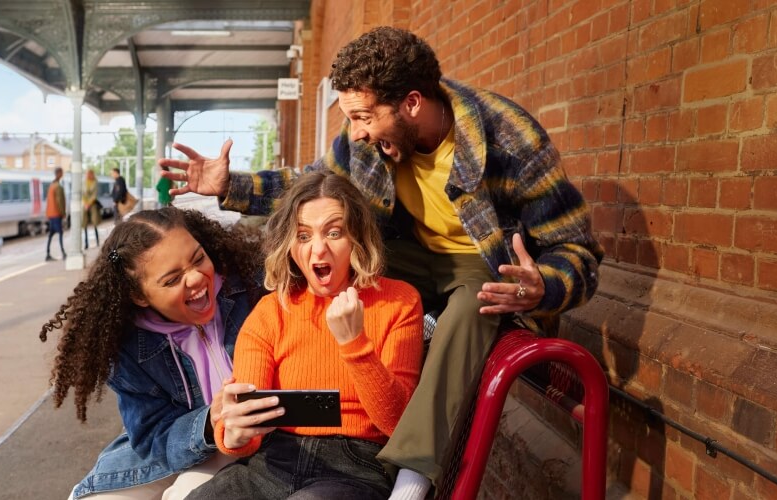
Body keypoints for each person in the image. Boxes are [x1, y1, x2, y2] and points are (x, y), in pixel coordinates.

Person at [160, 26, 603, 498]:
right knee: (329, 255)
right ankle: (409, 335)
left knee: (479, 302)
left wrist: (544, 286)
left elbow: (577, 250)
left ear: (412, 103)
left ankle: (412, 475)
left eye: (363, 117)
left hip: (480, 263)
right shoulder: (365, 142)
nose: (356, 132)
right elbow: (311, 187)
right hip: (404, 255)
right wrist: (232, 186)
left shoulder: (511, 141)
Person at [185, 172, 424, 499]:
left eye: (334, 232)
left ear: (357, 237)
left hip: (356, 466)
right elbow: (243, 430)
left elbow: (396, 423)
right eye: (303, 236)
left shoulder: (399, 301)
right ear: (290, 247)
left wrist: (355, 344)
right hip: (274, 459)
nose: (319, 249)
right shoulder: (271, 311)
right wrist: (236, 432)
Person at [39, 207, 265, 499]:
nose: (196, 279)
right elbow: (153, 437)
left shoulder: (253, 287)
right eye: (172, 280)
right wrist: (210, 421)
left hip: (262, 437)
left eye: (198, 259)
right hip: (189, 443)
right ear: (139, 296)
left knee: (187, 493)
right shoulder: (127, 345)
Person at [45, 166, 67, 262]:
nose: (63, 174)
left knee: (51, 234)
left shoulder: (51, 185)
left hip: (50, 213)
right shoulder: (58, 186)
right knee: (60, 233)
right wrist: (63, 213)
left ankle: (48, 253)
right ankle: (63, 253)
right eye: (62, 172)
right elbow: (59, 201)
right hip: (56, 214)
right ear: (59, 173)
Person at [82, 169, 102, 249]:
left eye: (89, 174)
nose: (88, 175)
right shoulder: (83, 182)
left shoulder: (95, 182)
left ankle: (97, 241)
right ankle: (86, 243)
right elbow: (82, 194)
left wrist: (89, 204)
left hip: (92, 204)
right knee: (84, 223)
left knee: (95, 223)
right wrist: (85, 204)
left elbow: (94, 195)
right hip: (85, 204)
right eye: (87, 174)